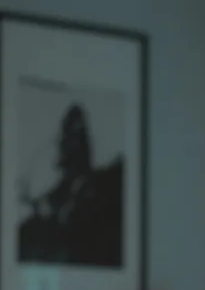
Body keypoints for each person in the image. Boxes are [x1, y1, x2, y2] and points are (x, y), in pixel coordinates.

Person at [17, 103, 125, 267]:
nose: (72, 142)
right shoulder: (66, 185)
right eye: (69, 135)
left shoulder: (96, 186)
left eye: (78, 135)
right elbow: (52, 198)